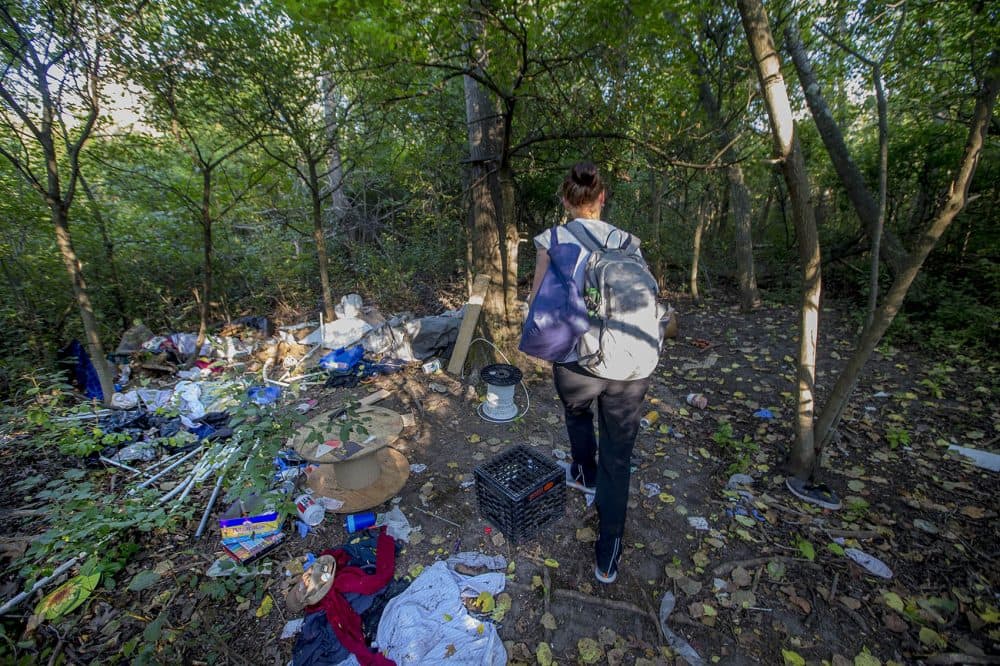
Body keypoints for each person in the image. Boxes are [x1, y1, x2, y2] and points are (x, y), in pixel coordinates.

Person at [527, 161, 653, 584]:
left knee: (576, 411)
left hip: (577, 361)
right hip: (630, 365)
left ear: (565, 200)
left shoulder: (553, 239)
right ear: (602, 198)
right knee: (620, 458)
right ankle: (608, 556)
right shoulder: (627, 242)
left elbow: (540, 304)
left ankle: (583, 472)